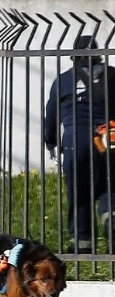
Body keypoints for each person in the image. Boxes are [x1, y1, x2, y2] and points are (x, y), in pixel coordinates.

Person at [44, 35, 115, 254]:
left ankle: (82, 244)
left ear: (74, 57)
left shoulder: (63, 81)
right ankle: (111, 216)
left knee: (79, 191)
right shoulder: (113, 75)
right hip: (107, 137)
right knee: (110, 183)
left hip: (76, 141)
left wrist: (51, 142)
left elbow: (51, 115)